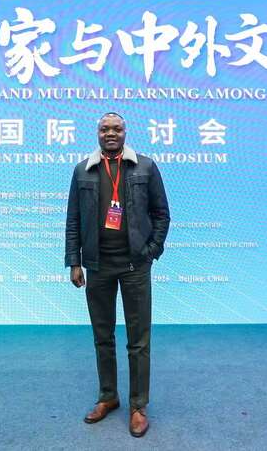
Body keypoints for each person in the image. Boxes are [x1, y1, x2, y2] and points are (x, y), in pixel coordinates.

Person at [65, 112, 170, 438]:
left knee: (138, 340)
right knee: (103, 336)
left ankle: (138, 405)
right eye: (104, 129)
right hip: (98, 266)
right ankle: (108, 396)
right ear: (97, 133)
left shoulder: (146, 167)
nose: (110, 133)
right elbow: (73, 220)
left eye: (116, 128)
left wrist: (151, 251)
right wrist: (75, 262)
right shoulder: (82, 170)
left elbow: (162, 214)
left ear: (125, 132)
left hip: (135, 266)